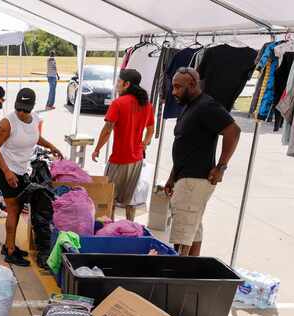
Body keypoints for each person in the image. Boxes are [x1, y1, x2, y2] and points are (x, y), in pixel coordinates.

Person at [165, 67, 240, 256]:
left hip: (195, 180)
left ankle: (180, 277)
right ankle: (191, 272)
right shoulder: (190, 107)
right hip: (185, 177)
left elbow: (233, 131)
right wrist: (172, 176)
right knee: (193, 231)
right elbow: (185, 145)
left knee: (182, 237)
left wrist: (221, 167)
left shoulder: (206, 106)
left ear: (192, 85)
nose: (174, 92)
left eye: (178, 87)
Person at [0, 88, 63, 266]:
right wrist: (7, 172)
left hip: (21, 169)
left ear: (32, 107)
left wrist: (51, 146)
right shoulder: (7, 122)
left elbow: (35, 137)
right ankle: (10, 251)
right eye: (19, 108)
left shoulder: (35, 119)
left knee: (19, 205)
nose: (21, 112)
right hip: (4, 168)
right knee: (13, 208)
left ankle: (9, 244)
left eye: (25, 109)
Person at [91, 69, 155, 221]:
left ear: (127, 84)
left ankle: (109, 228)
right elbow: (151, 130)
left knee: (109, 197)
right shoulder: (146, 104)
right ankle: (129, 227)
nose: (117, 85)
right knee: (130, 199)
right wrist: (143, 144)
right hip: (137, 159)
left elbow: (107, 130)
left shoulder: (118, 103)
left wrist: (97, 149)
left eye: (119, 82)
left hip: (119, 159)